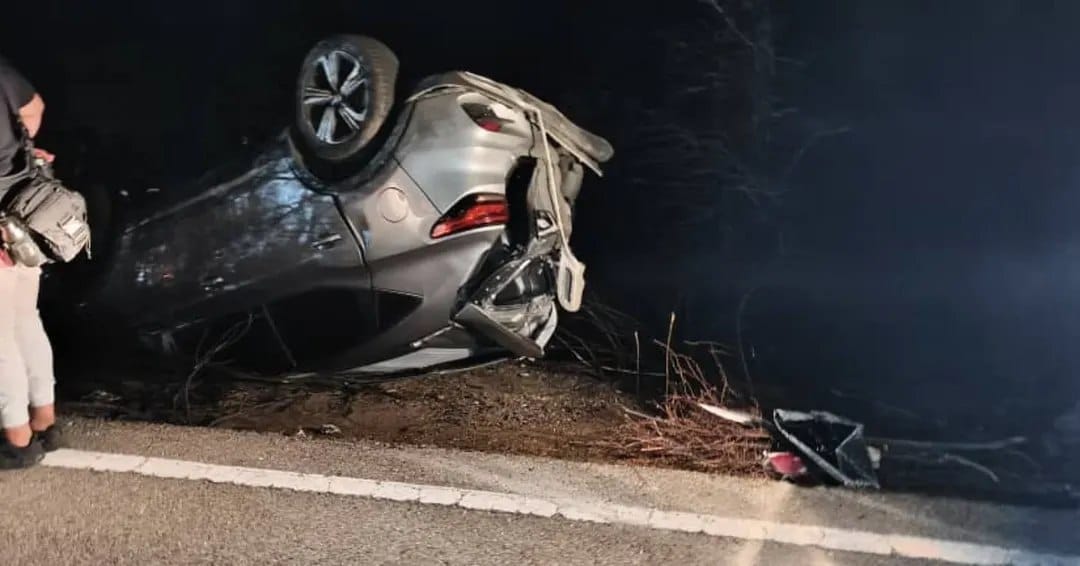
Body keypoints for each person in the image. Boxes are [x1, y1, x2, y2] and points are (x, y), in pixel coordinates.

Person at [0, 54, 60, 469]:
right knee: (25, 321)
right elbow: (34, 107)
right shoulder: (2, 72)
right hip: (26, 212)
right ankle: (44, 421)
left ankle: (17, 440)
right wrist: (18, 151)